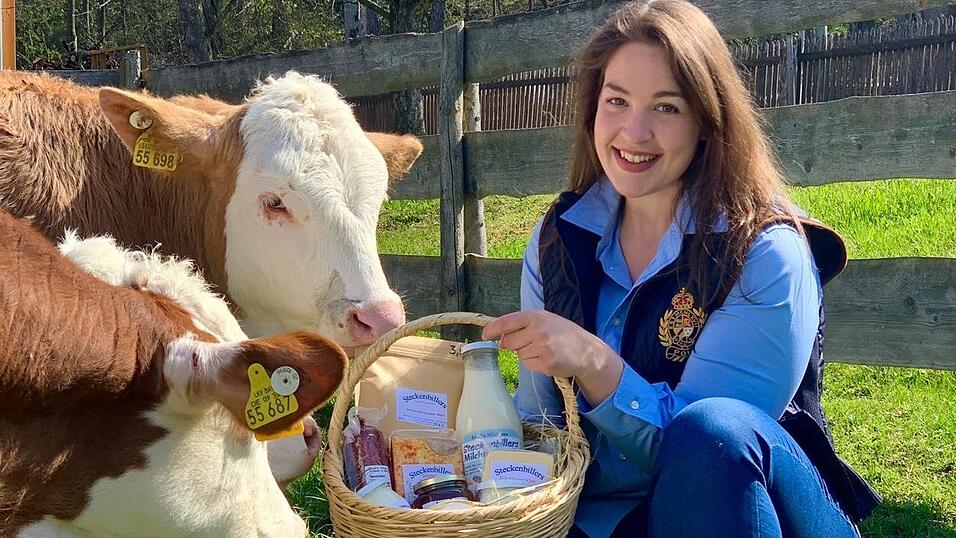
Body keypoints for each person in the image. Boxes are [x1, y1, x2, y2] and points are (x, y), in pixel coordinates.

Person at [481, 1, 881, 536]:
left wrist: (593, 363)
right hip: (600, 517)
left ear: (707, 121)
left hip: (739, 507)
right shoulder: (558, 237)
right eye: (616, 101)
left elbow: (703, 460)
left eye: (666, 107)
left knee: (712, 428)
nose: (634, 131)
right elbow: (540, 423)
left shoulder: (764, 252)